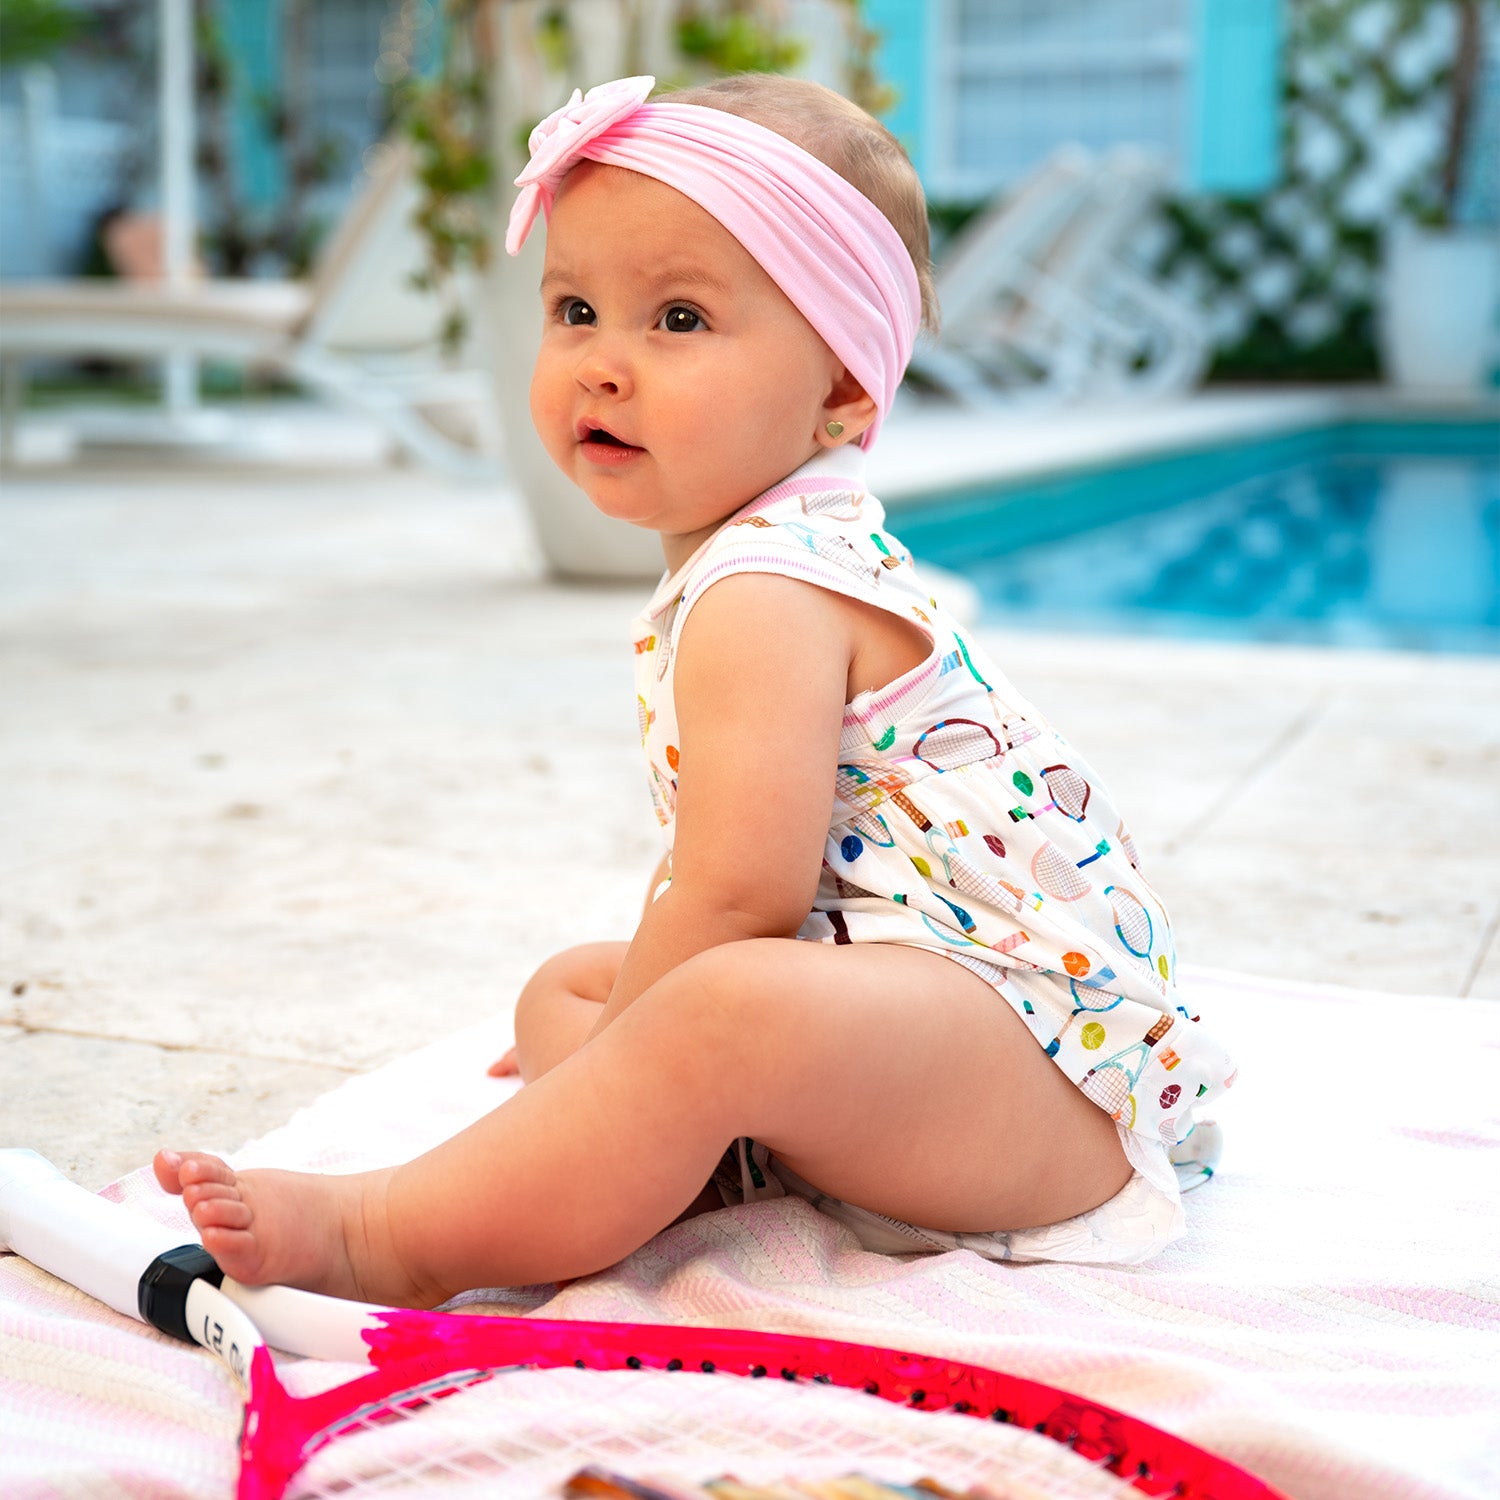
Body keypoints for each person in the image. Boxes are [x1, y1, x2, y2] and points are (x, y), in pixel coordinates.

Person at [154, 74, 1235, 1307]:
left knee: (712, 999)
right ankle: (674, 1148)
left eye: (677, 320)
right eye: (576, 309)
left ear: (838, 391)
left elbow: (735, 901)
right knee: (571, 985)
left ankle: (385, 1230)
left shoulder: (767, 590)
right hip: (933, 1041)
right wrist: (621, 1054)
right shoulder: (759, 553)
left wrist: (630, 1068)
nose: (604, 366)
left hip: (1039, 1083)